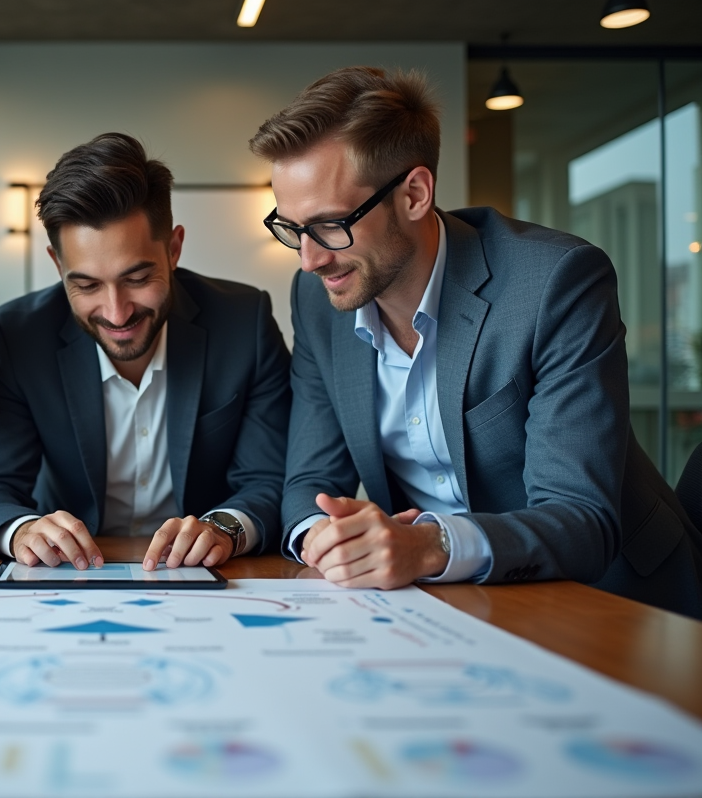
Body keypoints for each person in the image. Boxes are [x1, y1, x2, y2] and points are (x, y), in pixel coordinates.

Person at [252, 66, 702, 618]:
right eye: (292, 228)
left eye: (330, 225)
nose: (309, 259)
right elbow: (309, 482)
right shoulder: (317, 299)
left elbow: (582, 519)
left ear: (415, 194)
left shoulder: (556, 281)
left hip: (619, 599)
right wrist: (327, 539)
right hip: (450, 605)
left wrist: (430, 545)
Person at [0, 133, 291, 571]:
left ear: (173, 249)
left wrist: (224, 528)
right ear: (58, 265)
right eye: (87, 285)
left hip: (206, 572)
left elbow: (269, 477)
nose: (117, 313)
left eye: (137, 279)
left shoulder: (244, 323)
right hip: (69, 573)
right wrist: (22, 530)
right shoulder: (19, 336)